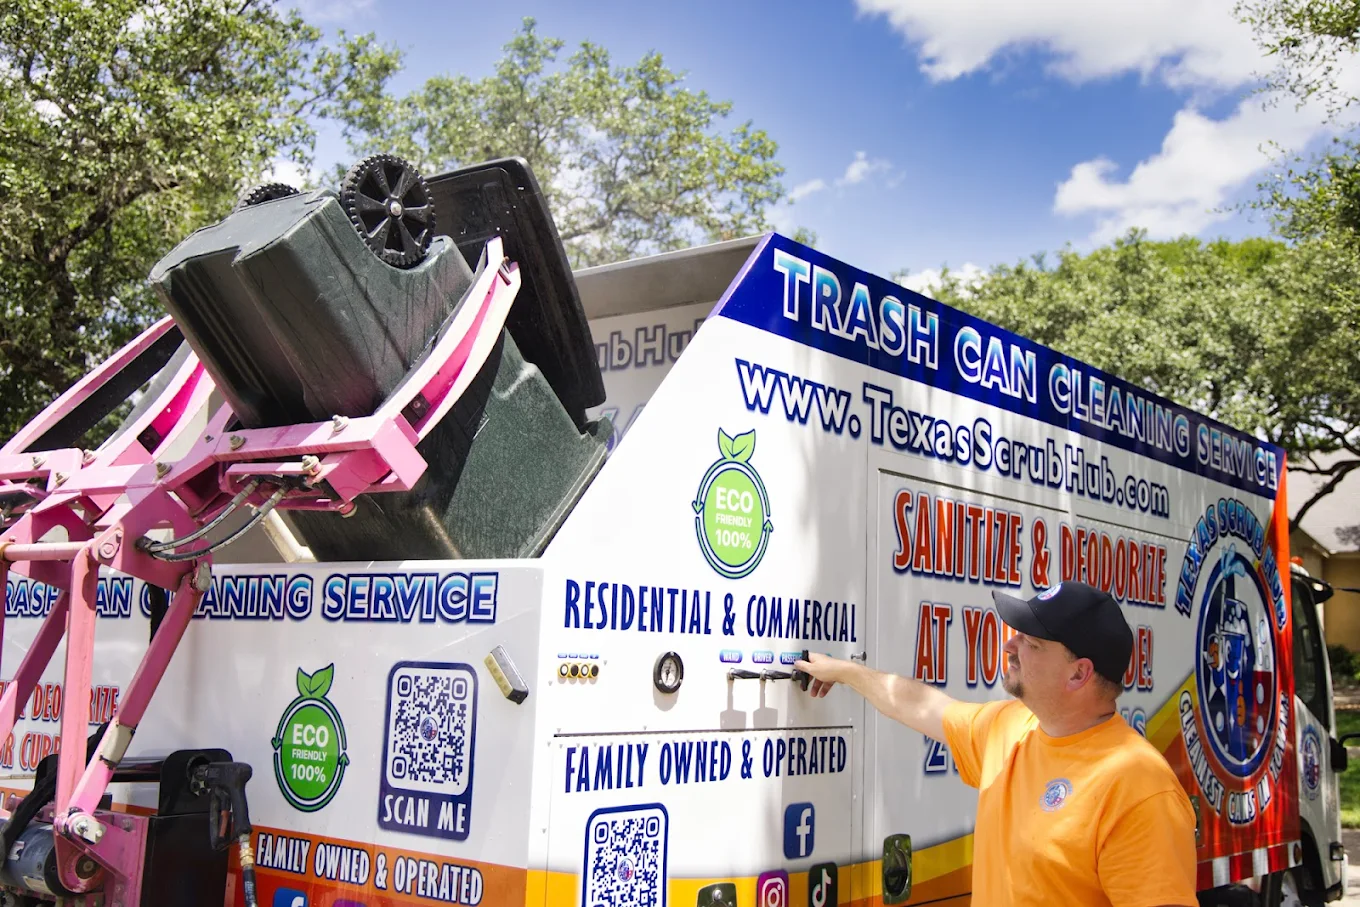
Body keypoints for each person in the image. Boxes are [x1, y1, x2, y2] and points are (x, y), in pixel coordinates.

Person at [793, 580, 1197, 907]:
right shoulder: (1012, 727)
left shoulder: (1140, 790)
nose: (1010, 646)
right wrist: (846, 671)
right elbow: (920, 704)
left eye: (1032, 643)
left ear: (1079, 674)